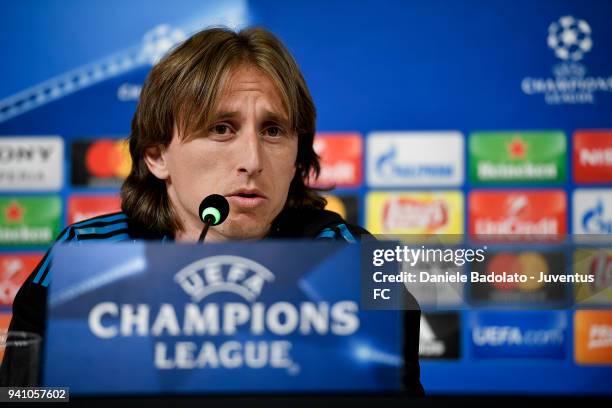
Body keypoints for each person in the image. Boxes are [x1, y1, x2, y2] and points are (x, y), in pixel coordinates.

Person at [1, 27, 424, 395]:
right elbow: (23, 397)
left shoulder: (354, 261)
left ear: (297, 157)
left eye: (273, 130)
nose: (252, 160)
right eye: (221, 129)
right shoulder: (85, 257)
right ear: (156, 155)